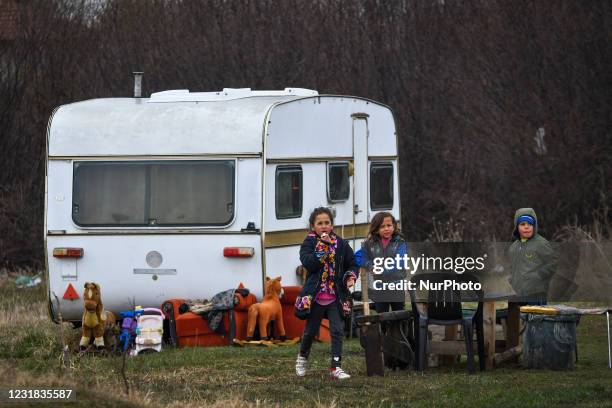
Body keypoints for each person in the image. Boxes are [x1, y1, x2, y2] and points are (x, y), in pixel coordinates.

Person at [294, 207, 357, 380]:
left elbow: (352, 264)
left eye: (327, 223)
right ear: (313, 226)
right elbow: (310, 264)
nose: (324, 226)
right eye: (319, 223)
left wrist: (350, 276)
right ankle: (302, 359)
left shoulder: (342, 244)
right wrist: (323, 245)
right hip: (315, 297)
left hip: (335, 297)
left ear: (332, 224)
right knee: (310, 331)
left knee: (337, 330)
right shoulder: (309, 243)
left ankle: (335, 367)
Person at [360, 212, 408, 313]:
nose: (386, 228)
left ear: (394, 226)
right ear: (376, 229)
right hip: (380, 286)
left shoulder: (400, 242)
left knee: (399, 314)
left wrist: (382, 270)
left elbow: (400, 261)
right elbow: (360, 257)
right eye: (382, 226)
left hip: (396, 285)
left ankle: (400, 329)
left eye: (389, 225)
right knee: (381, 314)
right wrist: (370, 266)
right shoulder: (370, 244)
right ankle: (384, 329)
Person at [508, 208, 557, 305]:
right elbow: (512, 266)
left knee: (535, 317)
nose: (527, 227)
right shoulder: (514, 247)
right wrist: (512, 279)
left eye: (530, 224)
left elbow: (552, 263)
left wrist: (538, 276)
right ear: (517, 227)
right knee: (519, 317)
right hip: (519, 293)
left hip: (536, 292)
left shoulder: (540, 243)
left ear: (534, 226)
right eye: (522, 224)